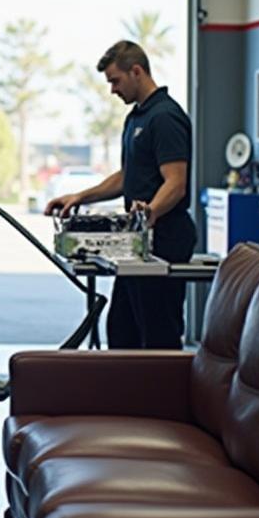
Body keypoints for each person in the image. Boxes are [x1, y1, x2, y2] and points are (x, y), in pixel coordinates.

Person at [45, 40, 196, 349]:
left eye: (115, 80)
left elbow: (176, 182)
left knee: (157, 336)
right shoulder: (136, 118)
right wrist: (79, 197)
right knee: (123, 332)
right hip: (136, 242)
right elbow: (127, 177)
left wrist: (150, 212)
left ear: (136, 71)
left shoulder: (165, 117)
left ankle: (162, 398)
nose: (112, 90)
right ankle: (126, 398)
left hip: (164, 240)